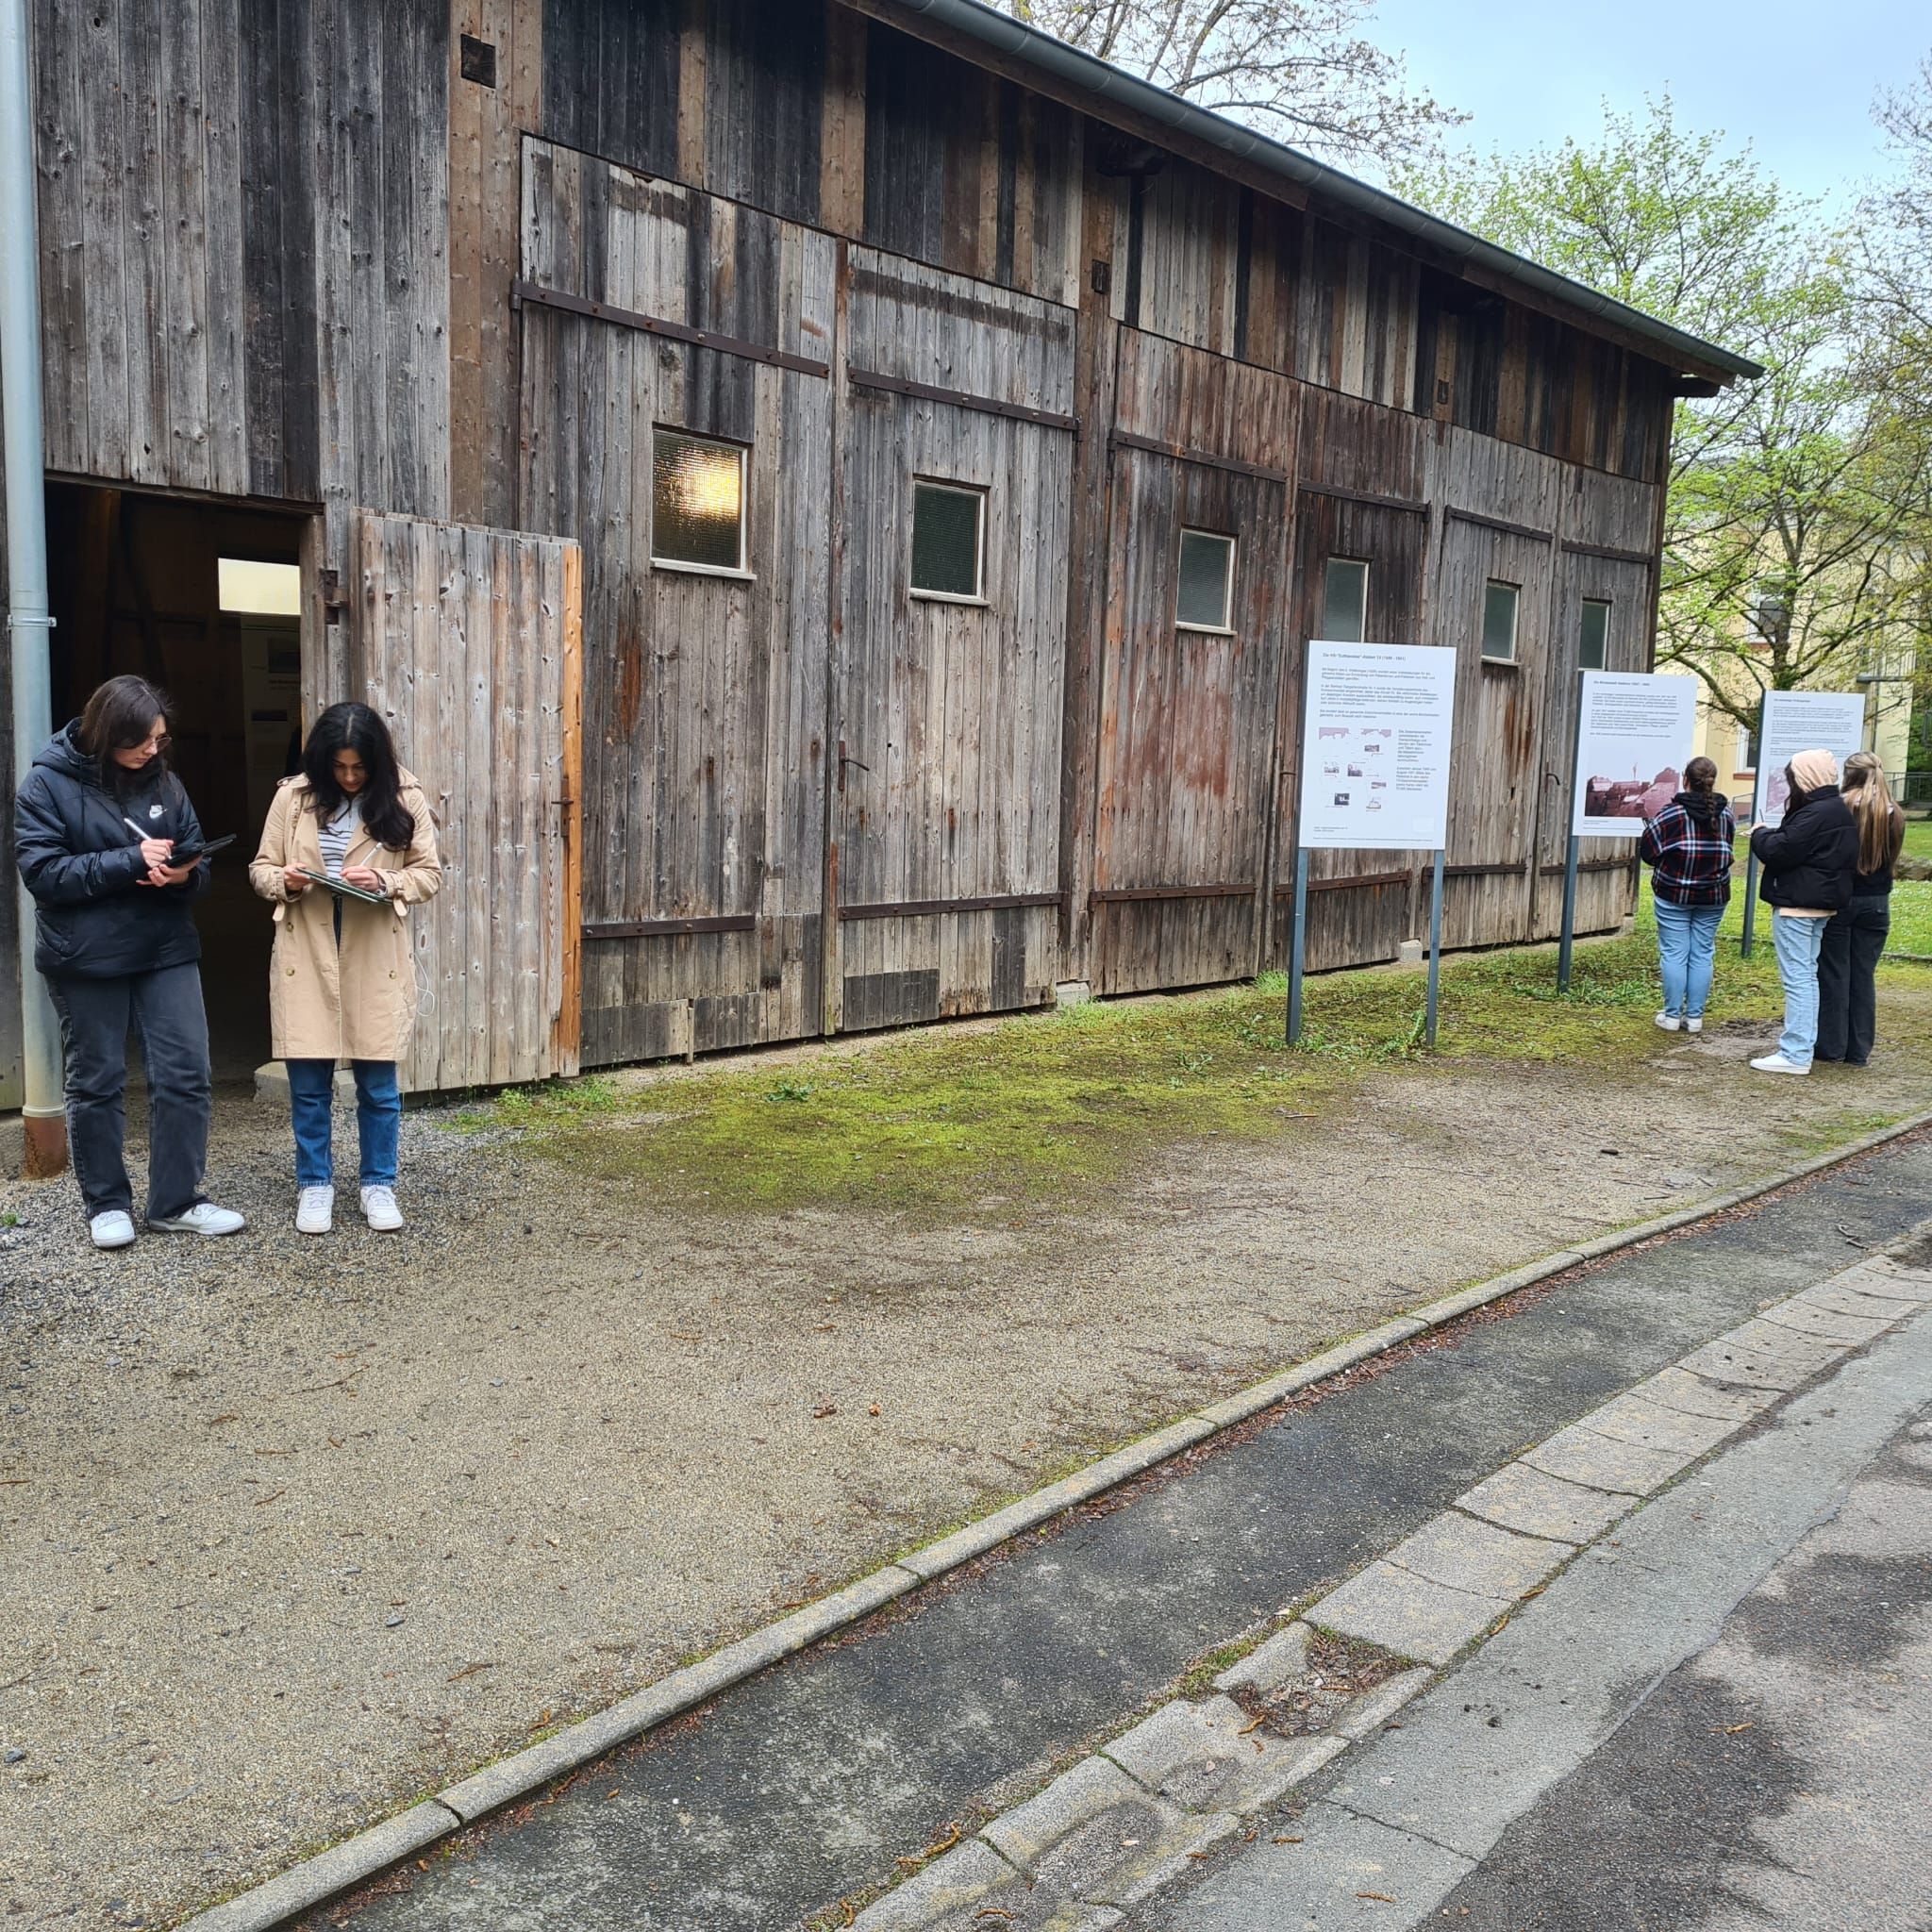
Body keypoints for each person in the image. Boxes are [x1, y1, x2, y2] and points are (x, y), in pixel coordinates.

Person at [12, 676, 247, 1248]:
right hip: (86, 955)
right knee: (97, 1080)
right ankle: (107, 1204)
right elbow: (42, 874)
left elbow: (196, 857)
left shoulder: (166, 781)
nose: (151, 751)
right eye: (139, 742)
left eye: (160, 740)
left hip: (165, 945)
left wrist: (183, 873)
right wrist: (127, 861)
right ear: (102, 736)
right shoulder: (46, 783)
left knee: (186, 1073)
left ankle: (177, 1200)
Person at [248, 703, 441, 1233]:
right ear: (321, 761)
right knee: (308, 1083)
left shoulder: (405, 796)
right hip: (304, 946)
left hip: (374, 947)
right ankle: (315, 1185)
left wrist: (387, 883)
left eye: (359, 767)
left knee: (378, 1084)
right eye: (339, 767)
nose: (350, 777)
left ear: (377, 762)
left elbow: (428, 874)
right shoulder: (292, 796)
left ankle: (378, 1184)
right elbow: (260, 868)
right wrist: (284, 881)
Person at [1747, 748, 1859, 1076]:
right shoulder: (1835, 809)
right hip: (1820, 903)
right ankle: (1801, 1047)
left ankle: (1795, 1052)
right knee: (1806, 976)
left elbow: (1779, 850)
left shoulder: (1815, 813)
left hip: (1798, 905)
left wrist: (1758, 833)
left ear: (1805, 777)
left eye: (1794, 777)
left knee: (1797, 978)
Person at [1815, 752, 1906, 1068]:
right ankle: (1859, 1050)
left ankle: (1830, 1045)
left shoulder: (1838, 808)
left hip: (1841, 900)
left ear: (1847, 774)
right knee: (1863, 975)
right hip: (1877, 902)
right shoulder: (1895, 813)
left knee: (1834, 973)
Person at [1640, 755, 1735, 1035]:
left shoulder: (1670, 814)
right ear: (1712, 781)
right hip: (1714, 895)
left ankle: (1671, 1016)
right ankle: (1695, 1018)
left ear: (1685, 780)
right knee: (1702, 952)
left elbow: (1648, 852)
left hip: (1673, 893)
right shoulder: (1727, 814)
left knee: (1674, 953)